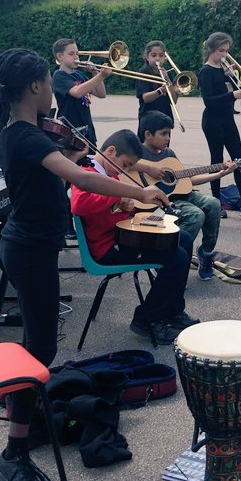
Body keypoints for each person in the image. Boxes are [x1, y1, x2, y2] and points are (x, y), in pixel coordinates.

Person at [0, 49, 168, 481]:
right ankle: (13, 452)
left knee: (41, 345)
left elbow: (64, 166)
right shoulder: (24, 136)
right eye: (48, 83)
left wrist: (73, 149)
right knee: (39, 348)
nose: (52, 92)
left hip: (31, 244)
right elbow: (80, 179)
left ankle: (26, 419)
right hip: (28, 249)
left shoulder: (23, 133)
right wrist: (139, 192)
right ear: (35, 89)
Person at [71, 128, 197, 344]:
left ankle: (173, 310)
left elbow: (113, 210)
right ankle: (147, 318)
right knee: (177, 258)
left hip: (121, 237)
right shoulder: (86, 174)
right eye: (126, 164)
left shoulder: (109, 176)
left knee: (182, 237)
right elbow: (79, 204)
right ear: (111, 151)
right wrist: (121, 197)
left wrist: (130, 208)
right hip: (106, 248)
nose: (126, 171)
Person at [137, 111, 236, 281]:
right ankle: (167, 258)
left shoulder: (168, 154)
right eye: (163, 134)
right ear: (148, 134)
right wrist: (147, 169)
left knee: (213, 204)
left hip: (179, 195)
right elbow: (118, 163)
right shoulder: (136, 152)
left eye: (169, 133)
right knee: (196, 215)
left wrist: (219, 174)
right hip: (156, 203)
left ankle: (205, 254)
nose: (168, 138)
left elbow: (187, 179)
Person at [198, 32, 241, 216]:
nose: (224, 55)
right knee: (217, 161)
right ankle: (216, 204)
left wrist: (231, 77)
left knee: (239, 159)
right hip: (212, 121)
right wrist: (232, 95)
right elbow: (209, 100)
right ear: (211, 50)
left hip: (227, 120)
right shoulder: (206, 71)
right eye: (221, 51)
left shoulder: (220, 69)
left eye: (226, 51)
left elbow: (228, 88)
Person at [52, 38, 110, 147]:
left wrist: (95, 72)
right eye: (71, 54)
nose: (76, 57)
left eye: (77, 54)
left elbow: (101, 94)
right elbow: (77, 92)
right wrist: (101, 75)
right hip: (70, 129)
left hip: (87, 128)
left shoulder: (78, 74)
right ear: (60, 57)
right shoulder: (59, 76)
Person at [134, 40, 176, 123]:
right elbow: (145, 98)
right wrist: (161, 91)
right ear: (147, 57)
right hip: (148, 118)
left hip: (165, 117)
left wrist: (167, 79)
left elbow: (174, 100)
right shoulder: (144, 72)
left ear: (165, 57)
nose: (157, 58)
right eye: (153, 55)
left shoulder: (167, 73)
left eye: (161, 55)